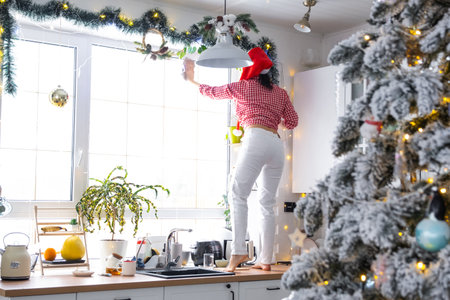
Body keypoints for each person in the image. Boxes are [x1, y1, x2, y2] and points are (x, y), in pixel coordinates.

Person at [184, 47, 298, 272]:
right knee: (266, 203)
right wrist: (276, 121)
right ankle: (266, 259)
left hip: (255, 138)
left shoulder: (243, 86)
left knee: (237, 195)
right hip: (276, 144)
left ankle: (237, 252)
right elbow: (293, 121)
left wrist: (191, 80)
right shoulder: (280, 92)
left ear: (249, 69)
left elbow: (211, 92)